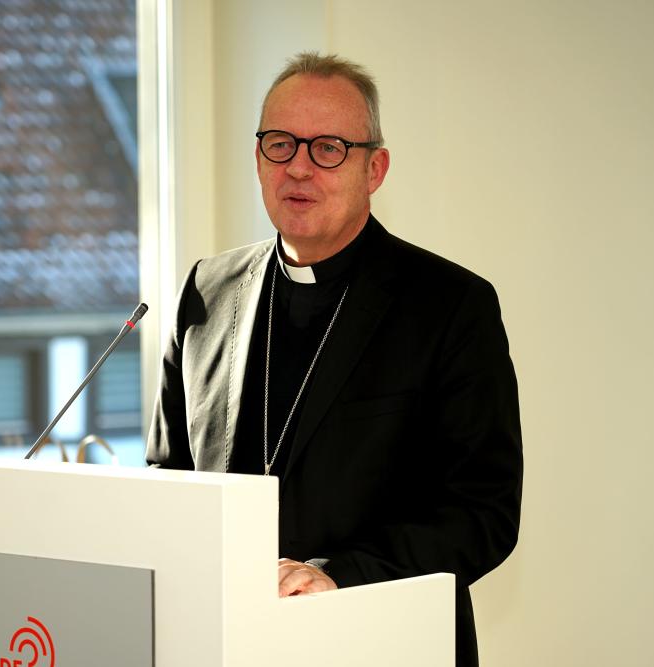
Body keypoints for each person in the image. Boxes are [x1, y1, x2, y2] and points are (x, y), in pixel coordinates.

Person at [146, 52, 522, 666]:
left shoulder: (451, 305)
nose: (298, 167)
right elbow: (168, 478)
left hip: (384, 643)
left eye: (328, 148)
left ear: (375, 168)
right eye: (279, 144)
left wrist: (338, 576)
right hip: (223, 641)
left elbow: (483, 514)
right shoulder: (206, 290)